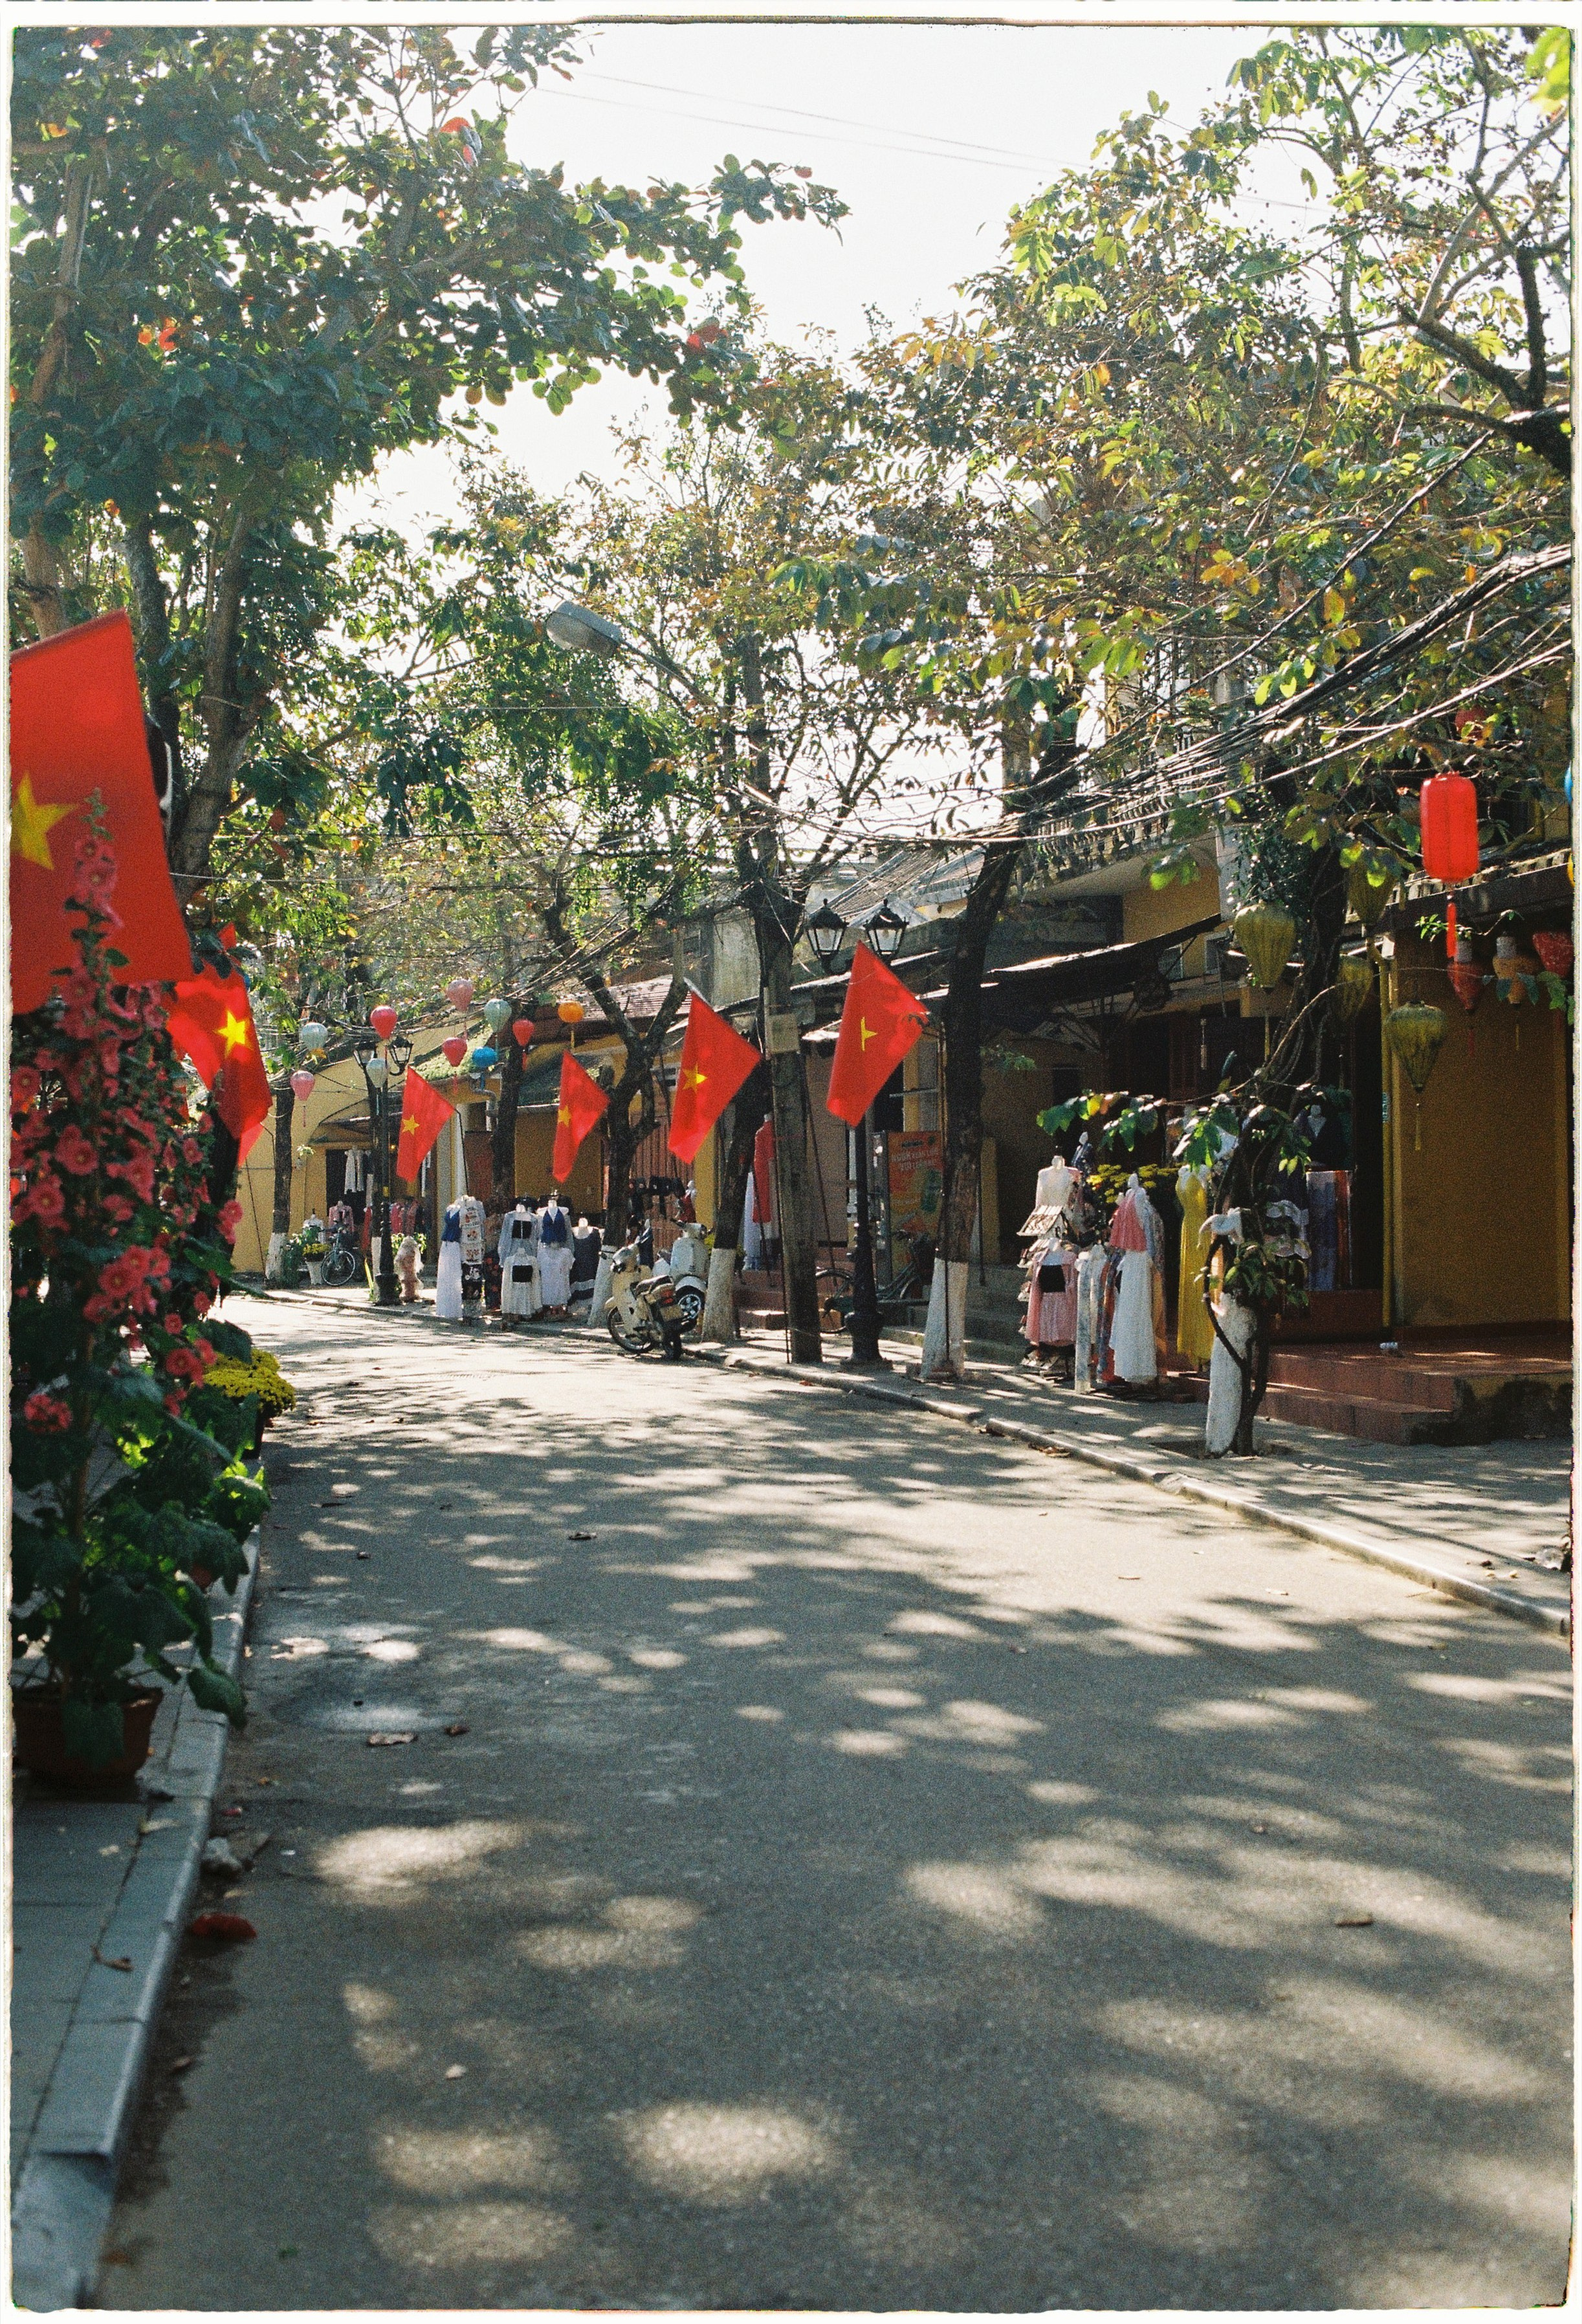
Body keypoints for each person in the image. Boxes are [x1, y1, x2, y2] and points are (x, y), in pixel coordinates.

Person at [498, 1200, 542, 1325]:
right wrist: (503, 1253)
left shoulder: (534, 1219)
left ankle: (527, 1310)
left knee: (527, 1281)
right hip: (513, 1250)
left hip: (528, 1250)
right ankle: (513, 1310)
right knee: (513, 1281)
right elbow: (505, 1235)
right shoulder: (510, 1217)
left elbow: (535, 1236)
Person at [538, 1189, 573, 1313]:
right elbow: (539, 1231)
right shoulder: (542, 1214)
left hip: (560, 1244)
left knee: (560, 1276)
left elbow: (568, 1231)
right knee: (548, 1277)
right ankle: (549, 1304)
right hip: (546, 1245)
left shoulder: (564, 1212)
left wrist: (570, 1248)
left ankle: (560, 1304)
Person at [435, 1204, 463, 1322]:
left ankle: (453, 1307)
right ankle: (444, 1306)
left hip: (455, 1244)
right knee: (444, 1275)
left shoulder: (462, 1211)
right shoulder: (450, 1209)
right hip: (446, 1244)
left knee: (454, 1276)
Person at [569, 1213, 602, 1306]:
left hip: (591, 1264)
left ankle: (591, 1304)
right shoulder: (572, 1232)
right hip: (578, 1265)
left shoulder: (595, 1232)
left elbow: (599, 1247)